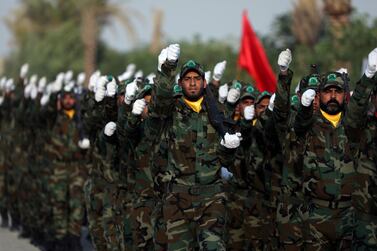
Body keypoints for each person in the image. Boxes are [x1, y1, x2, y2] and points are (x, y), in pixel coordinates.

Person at [152, 44, 242, 250]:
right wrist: (166, 69)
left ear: (204, 83)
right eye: (187, 79)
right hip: (178, 197)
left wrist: (229, 147)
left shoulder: (217, 113)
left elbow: (228, 162)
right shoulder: (171, 110)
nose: (192, 83)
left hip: (212, 197)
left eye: (196, 79)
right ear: (181, 83)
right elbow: (159, 102)